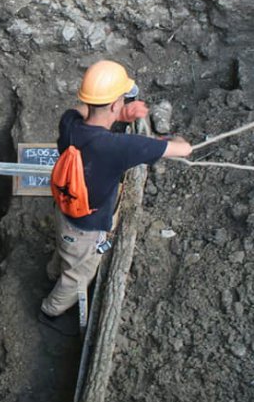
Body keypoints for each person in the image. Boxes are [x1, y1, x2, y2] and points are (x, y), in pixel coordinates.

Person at [40, 60, 192, 331]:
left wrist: (117, 114)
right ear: (114, 104)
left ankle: (52, 271)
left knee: (67, 251)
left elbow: (80, 110)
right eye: (122, 99)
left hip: (64, 211)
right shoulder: (119, 147)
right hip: (86, 228)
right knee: (79, 276)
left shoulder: (70, 124)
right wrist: (177, 139)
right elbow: (184, 149)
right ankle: (50, 311)